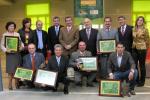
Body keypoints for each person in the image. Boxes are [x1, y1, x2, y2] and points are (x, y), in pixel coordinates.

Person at [0, 21, 24, 90]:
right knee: (10, 71)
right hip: (10, 55)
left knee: (17, 70)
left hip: (17, 54)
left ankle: (17, 84)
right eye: (10, 26)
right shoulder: (5, 35)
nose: (12, 27)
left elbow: (21, 43)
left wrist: (22, 47)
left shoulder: (17, 34)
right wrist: (6, 50)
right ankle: (10, 85)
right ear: (7, 27)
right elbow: (1, 45)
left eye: (13, 26)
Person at [132, 16, 150, 87]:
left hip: (142, 49)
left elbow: (148, 40)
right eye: (138, 20)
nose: (139, 21)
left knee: (142, 65)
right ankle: (136, 80)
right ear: (136, 21)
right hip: (134, 48)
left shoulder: (145, 29)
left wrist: (145, 48)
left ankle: (142, 81)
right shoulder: (133, 29)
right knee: (134, 65)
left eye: (141, 20)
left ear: (143, 22)